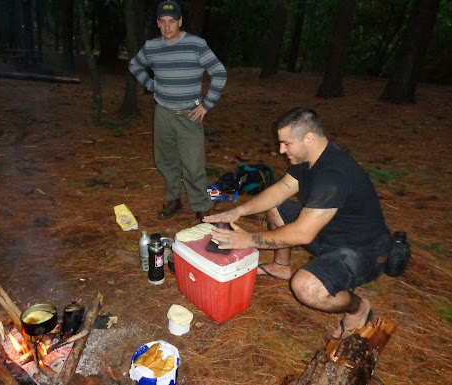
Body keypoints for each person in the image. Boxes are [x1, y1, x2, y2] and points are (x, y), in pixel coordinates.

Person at [204, 107, 392, 338]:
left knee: (306, 287)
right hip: (327, 232)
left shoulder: (333, 174)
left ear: (309, 139)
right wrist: (239, 210)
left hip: (362, 251)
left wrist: (247, 239)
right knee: (275, 206)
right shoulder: (310, 160)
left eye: (286, 143)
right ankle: (281, 267)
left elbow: (303, 234)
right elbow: (280, 190)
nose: (281, 150)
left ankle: (358, 308)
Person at [129, 0, 227, 221]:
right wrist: (151, 84)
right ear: (157, 23)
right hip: (162, 114)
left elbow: (219, 73)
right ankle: (174, 200)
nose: (167, 27)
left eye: (172, 21)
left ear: (180, 21)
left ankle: (201, 207)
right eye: (162, 22)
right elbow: (134, 65)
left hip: (189, 115)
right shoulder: (151, 47)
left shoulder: (196, 45)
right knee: (165, 161)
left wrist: (206, 105)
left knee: (193, 165)